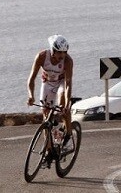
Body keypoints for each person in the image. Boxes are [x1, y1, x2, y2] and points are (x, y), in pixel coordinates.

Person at [27, 34, 74, 166]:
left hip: (61, 83)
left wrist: (67, 103)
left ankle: (69, 136)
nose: (62, 56)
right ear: (52, 50)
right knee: (46, 118)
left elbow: (68, 83)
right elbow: (31, 78)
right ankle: (48, 152)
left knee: (62, 106)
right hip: (47, 83)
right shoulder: (42, 56)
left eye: (64, 53)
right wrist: (31, 95)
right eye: (59, 53)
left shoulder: (68, 61)